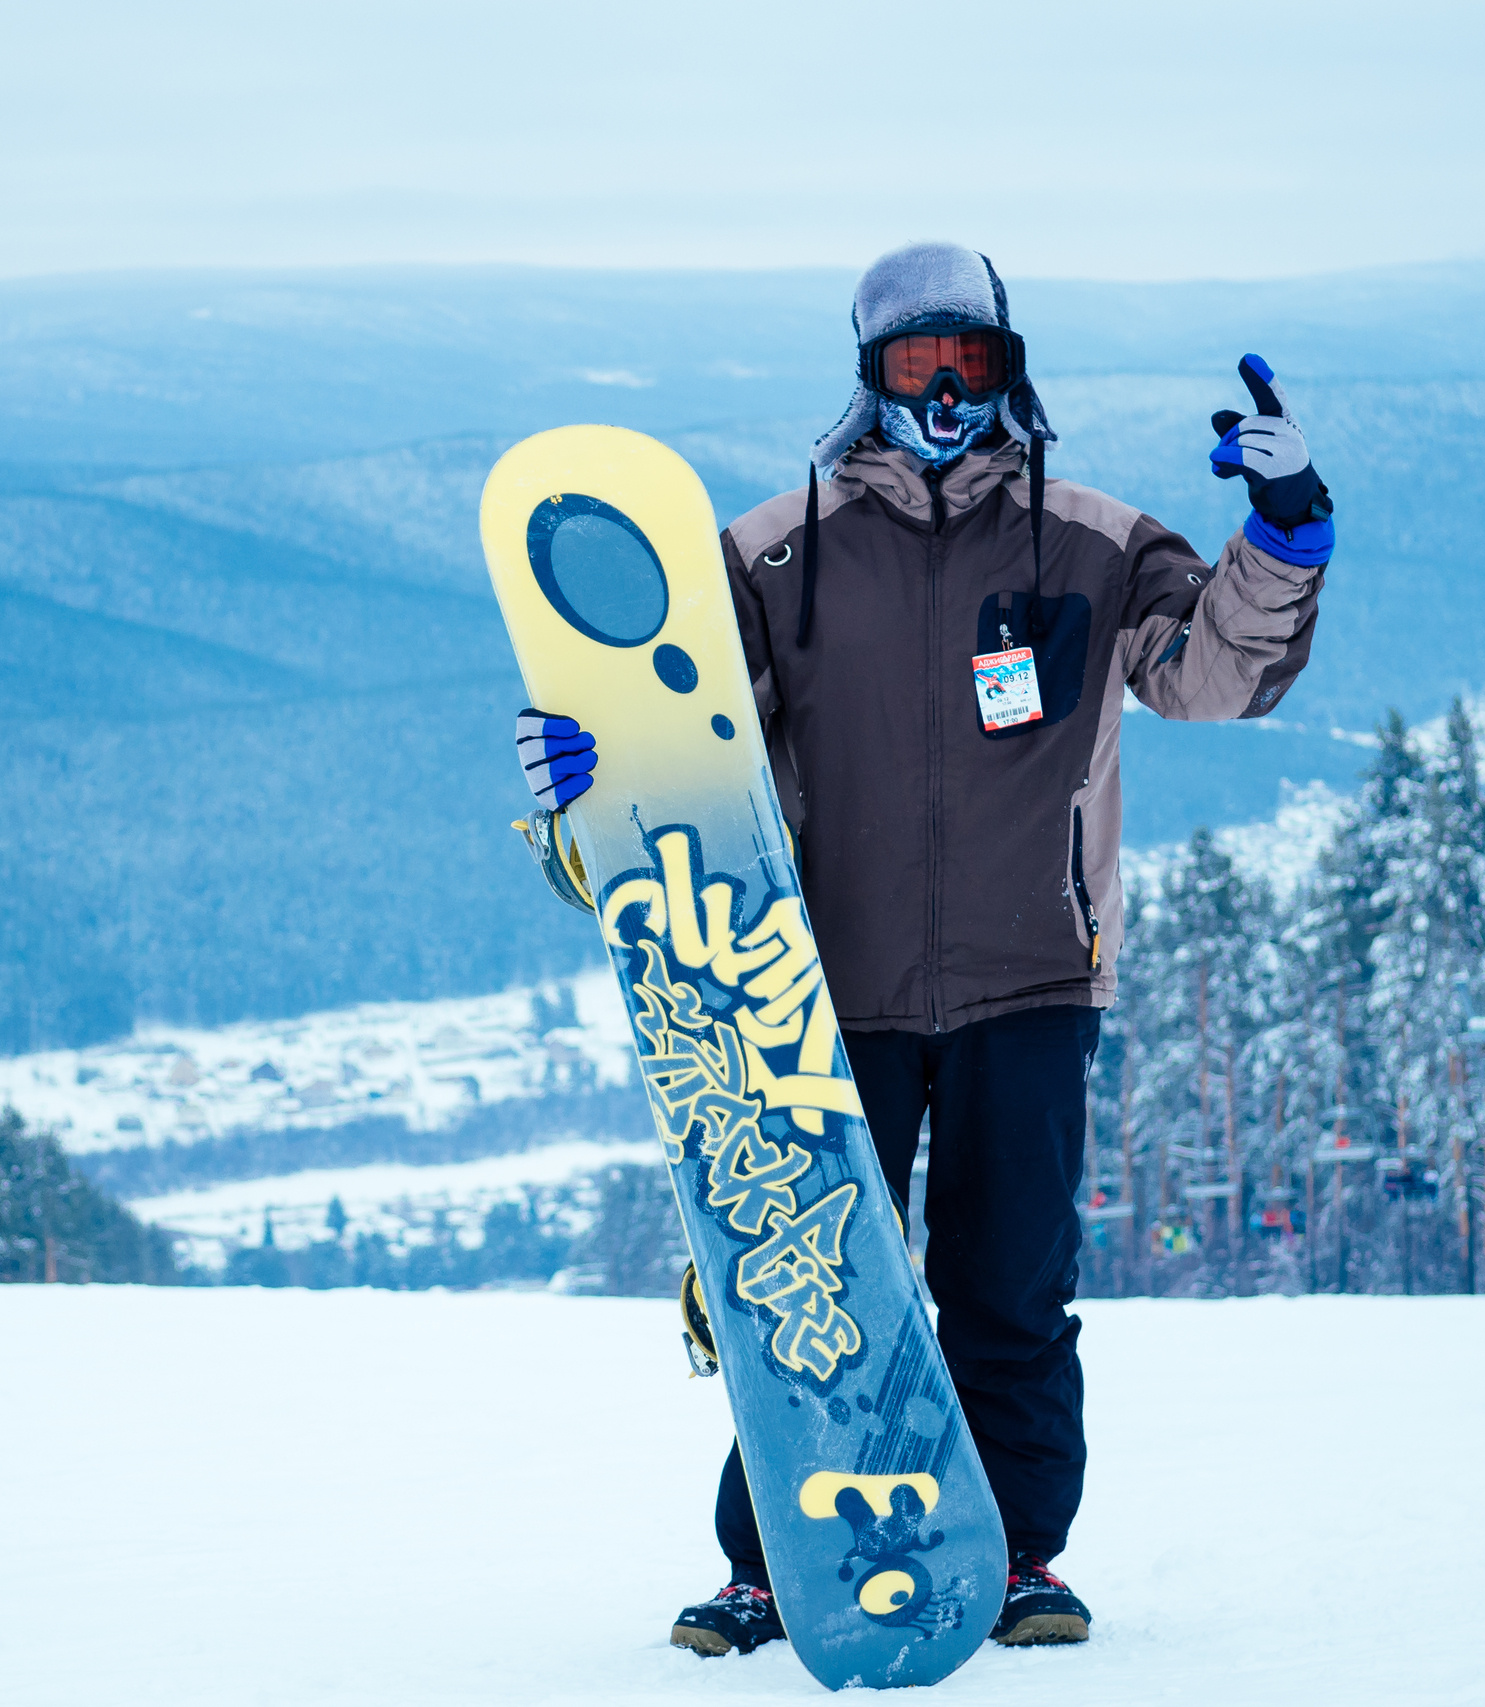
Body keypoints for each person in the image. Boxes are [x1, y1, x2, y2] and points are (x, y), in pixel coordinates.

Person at [511, 242, 1335, 1653]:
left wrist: (1285, 528)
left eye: (971, 364)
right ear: (867, 380)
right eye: (914, 365)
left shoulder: (1090, 539)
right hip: (825, 994)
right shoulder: (778, 555)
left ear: (1010, 373)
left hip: (1031, 975)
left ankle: (1014, 1552)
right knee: (806, 1287)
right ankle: (777, 1559)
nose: (945, 395)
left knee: (1008, 1285)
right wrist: (585, 779)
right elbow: (675, 750)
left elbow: (1217, 674)